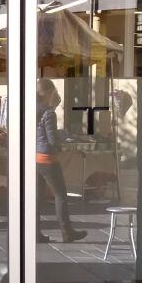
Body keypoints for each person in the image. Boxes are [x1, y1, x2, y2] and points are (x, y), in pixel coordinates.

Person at [37, 78, 86, 243]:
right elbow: (52, 139)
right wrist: (63, 140)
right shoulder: (49, 113)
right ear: (50, 93)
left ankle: (35, 232)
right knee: (60, 195)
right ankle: (67, 232)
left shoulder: (32, 110)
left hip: (34, 158)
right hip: (48, 159)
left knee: (37, 197)